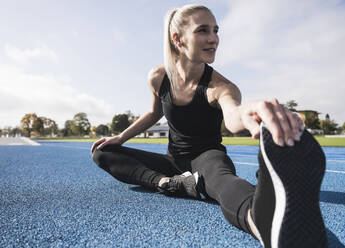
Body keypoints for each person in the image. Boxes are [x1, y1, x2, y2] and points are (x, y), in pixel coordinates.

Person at [91, 4, 327, 248]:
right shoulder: (158, 78)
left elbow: (233, 115)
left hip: (207, 159)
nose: (213, 39)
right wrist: (120, 137)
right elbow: (154, 112)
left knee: (223, 183)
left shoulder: (221, 87)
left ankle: (262, 219)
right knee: (102, 152)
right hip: (172, 162)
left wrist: (248, 110)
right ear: (178, 39)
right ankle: (166, 183)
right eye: (203, 30)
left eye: (216, 30)